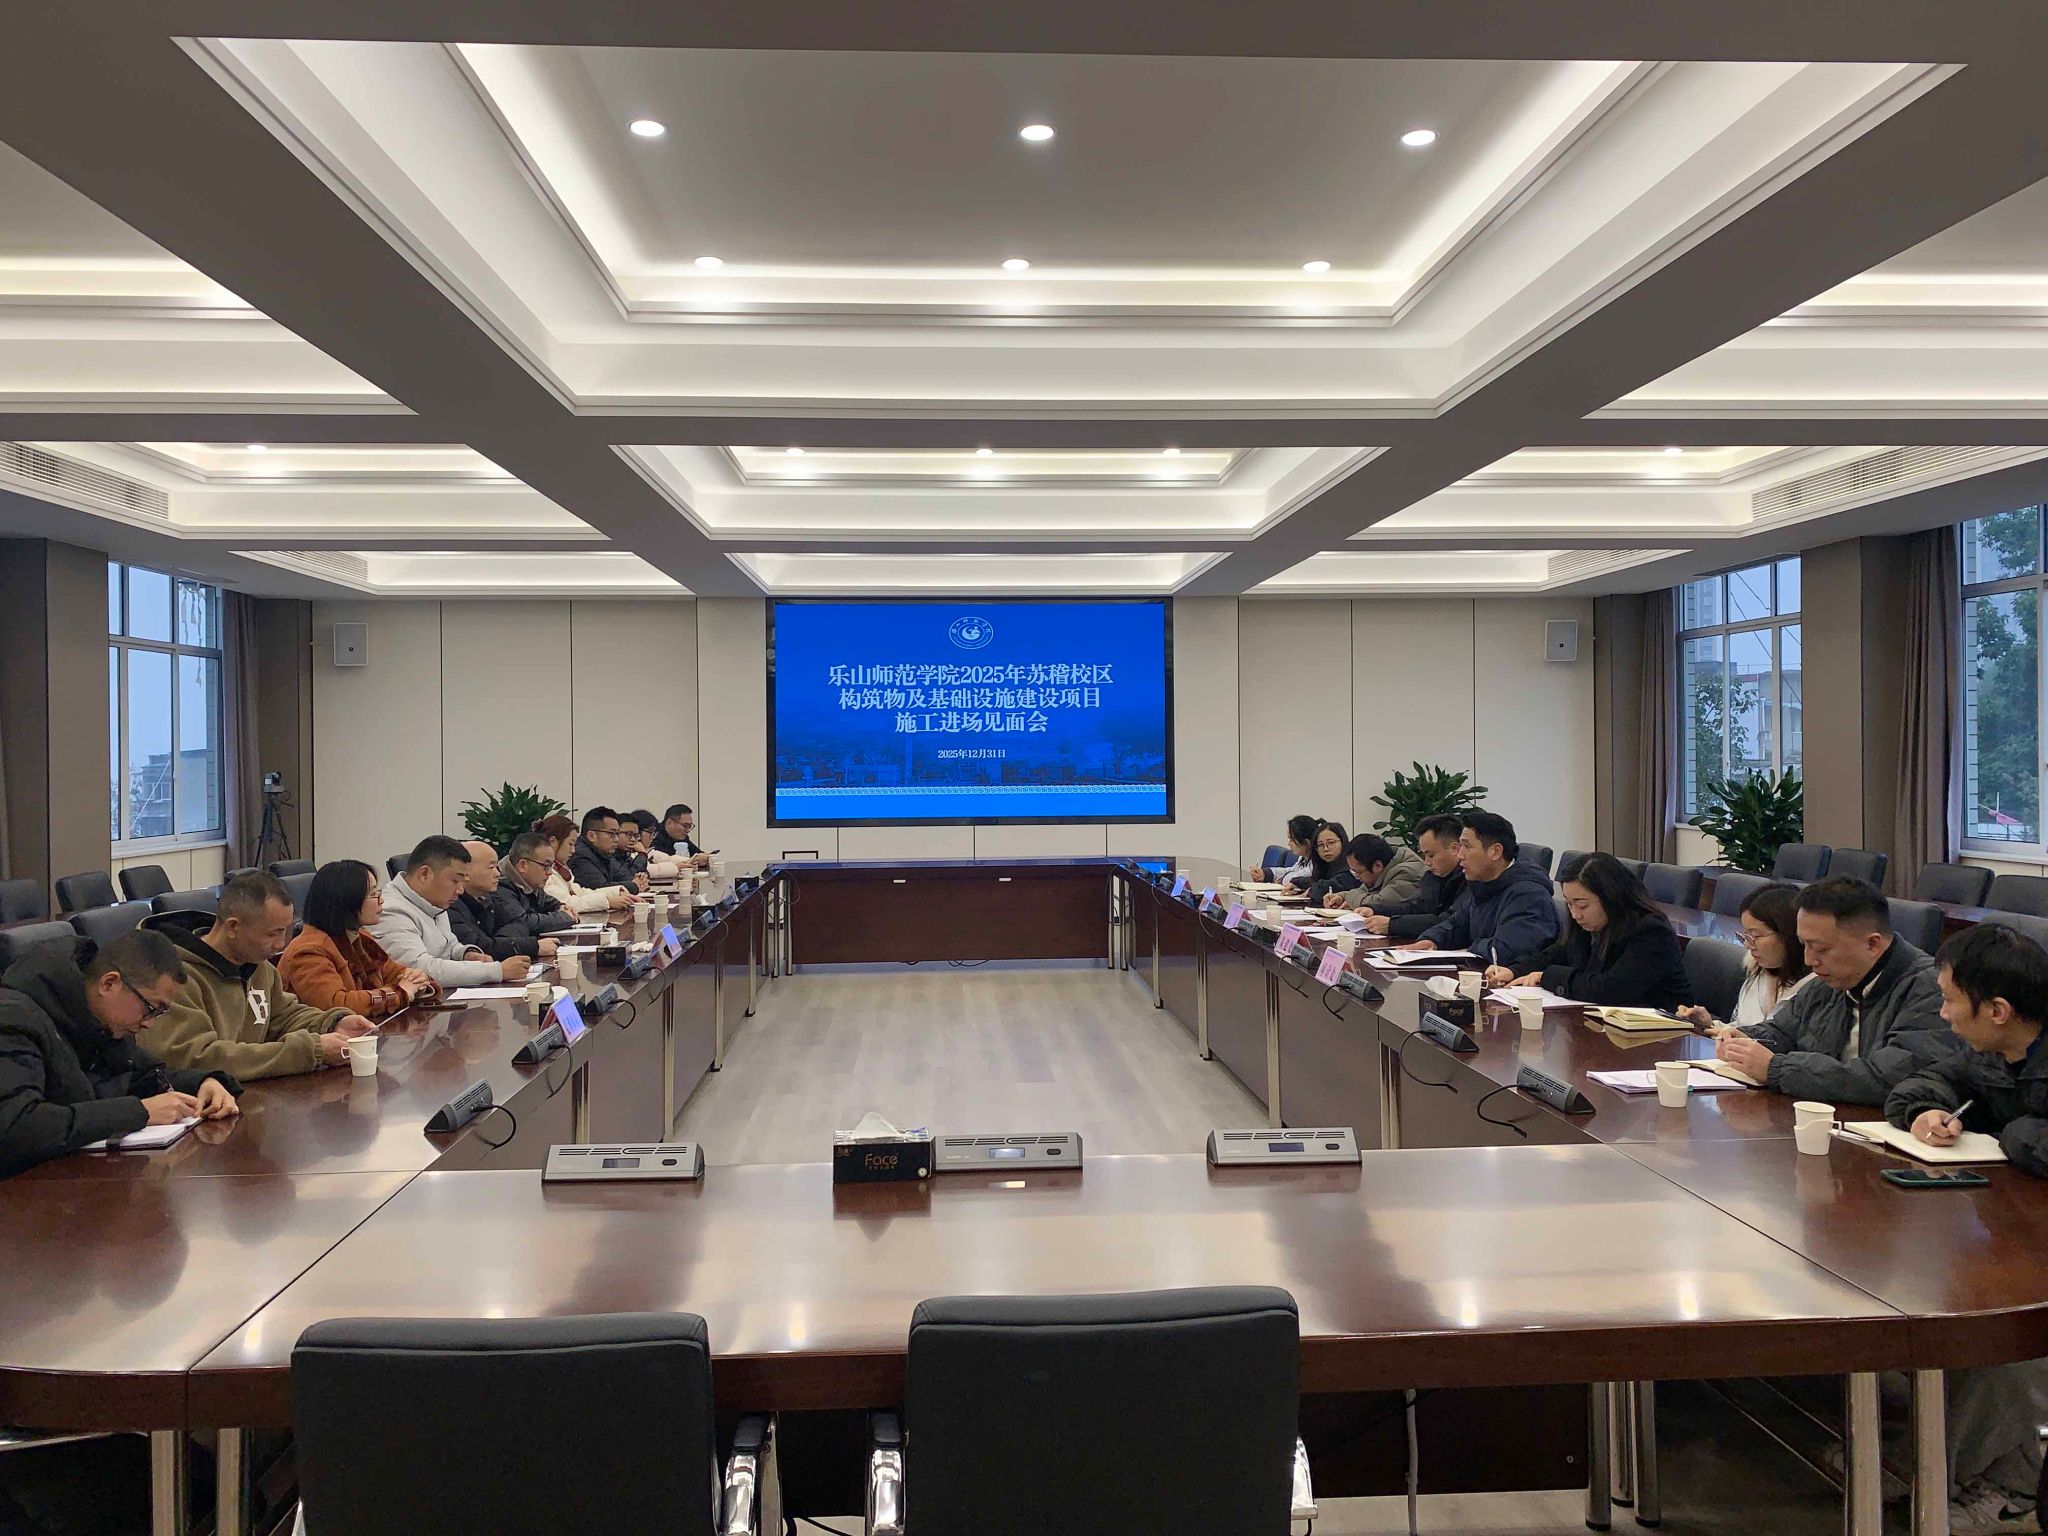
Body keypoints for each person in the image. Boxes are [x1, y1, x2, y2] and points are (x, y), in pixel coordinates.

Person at [1882, 923, 2048, 1532]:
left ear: (1997, 1011)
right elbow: (1933, 1078)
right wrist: (1926, 1108)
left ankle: (1993, 1484)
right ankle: (1933, 1464)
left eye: (1951, 1000)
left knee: (2000, 1339)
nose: (1944, 1014)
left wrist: (2017, 1134)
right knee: (1928, 1288)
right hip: (2015, 1225)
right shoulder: (1993, 1049)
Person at [0, 930, 241, 1179]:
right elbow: (16, 1128)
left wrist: (204, 1083)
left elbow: (139, 1075)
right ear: (109, 983)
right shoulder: (12, 1020)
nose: (149, 1023)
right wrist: (139, 1112)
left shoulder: (98, 1020)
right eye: (151, 1008)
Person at [1714, 875, 1955, 1104]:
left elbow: (1889, 1079)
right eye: (1803, 945)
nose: (1809, 960)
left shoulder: (1930, 989)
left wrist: (1776, 1069)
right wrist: (1745, 1039)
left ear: (1872, 944)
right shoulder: (1830, 981)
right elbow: (1783, 1031)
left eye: (1821, 948)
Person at [139, 872, 373, 1079]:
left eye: (284, 931)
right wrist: (309, 1051)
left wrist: (332, 1023)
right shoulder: (172, 979)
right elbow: (198, 1058)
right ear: (233, 927)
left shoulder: (258, 966)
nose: (280, 944)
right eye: (272, 934)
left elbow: (283, 1016)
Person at [1499, 852, 1690, 1009]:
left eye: (1582, 905)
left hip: (1662, 1033)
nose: (1575, 914)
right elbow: (1558, 953)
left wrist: (1546, 977)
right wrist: (1514, 971)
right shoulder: (1592, 923)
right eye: (1569, 904)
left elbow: (1610, 989)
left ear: (1611, 897)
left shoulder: (1651, 932)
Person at [278, 860, 434, 1019]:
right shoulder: (308, 951)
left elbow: (394, 973)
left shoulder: (359, 937)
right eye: (373, 894)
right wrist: (399, 993)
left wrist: (417, 980)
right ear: (347, 901)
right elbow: (337, 1005)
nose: (381, 900)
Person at [370, 836, 530, 988]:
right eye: (455, 881)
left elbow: (449, 946)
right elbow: (418, 970)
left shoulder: (432, 901)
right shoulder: (390, 911)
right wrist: (496, 971)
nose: (460, 890)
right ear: (425, 874)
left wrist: (467, 954)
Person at [1409, 811, 1560, 971]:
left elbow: (1504, 953)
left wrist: (1471, 947)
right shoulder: (1485, 884)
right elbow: (1457, 924)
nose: (1459, 855)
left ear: (1495, 852)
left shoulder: (1529, 895)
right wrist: (1432, 940)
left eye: (1466, 846)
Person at [1676, 883, 1814, 1030]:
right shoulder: (1758, 971)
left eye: (1755, 936)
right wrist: (1708, 1026)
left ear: (1788, 934)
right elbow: (1741, 1026)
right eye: (1745, 936)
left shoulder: (1816, 990)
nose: (1748, 945)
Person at [448, 840, 561, 962]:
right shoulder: (451, 905)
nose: (497, 874)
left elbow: (520, 924)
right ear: (466, 872)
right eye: (491, 867)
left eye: (497, 867)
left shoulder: (488, 898)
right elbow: (481, 948)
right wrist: (533, 946)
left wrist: (498, 943)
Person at [1354, 815, 1466, 939]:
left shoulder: (1470, 879)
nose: (1426, 862)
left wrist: (1392, 925)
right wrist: (1375, 910)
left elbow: (1448, 922)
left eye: (1431, 855)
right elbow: (1415, 908)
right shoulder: (1432, 876)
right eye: (1424, 855)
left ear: (1454, 849)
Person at [536, 814, 632, 913]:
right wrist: (607, 901)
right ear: (553, 841)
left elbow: (580, 892)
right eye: (570, 844)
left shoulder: (559, 868)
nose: (573, 850)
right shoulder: (542, 872)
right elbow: (565, 903)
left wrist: (616, 893)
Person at [496, 833, 579, 939]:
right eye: (546, 865)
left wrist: (562, 907)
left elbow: (551, 904)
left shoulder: (531, 883)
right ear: (522, 865)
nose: (550, 872)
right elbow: (523, 923)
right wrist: (565, 917)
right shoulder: (500, 885)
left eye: (551, 866)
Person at [1326, 834, 1425, 912]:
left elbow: (1379, 903)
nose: (1356, 877)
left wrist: (1348, 897)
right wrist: (1341, 897)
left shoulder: (1407, 872)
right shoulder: (1382, 870)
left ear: (1377, 866)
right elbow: (1364, 892)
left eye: (1358, 872)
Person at [569, 807, 649, 895]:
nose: (616, 839)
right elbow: (600, 889)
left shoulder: (603, 853)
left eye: (617, 834)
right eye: (612, 834)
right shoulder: (580, 855)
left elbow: (626, 878)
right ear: (592, 836)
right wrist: (634, 885)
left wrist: (639, 879)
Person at [1249, 815, 1317, 885]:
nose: (1288, 844)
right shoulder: (1304, 858)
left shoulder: (1316, 864)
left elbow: (1295, 878)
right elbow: (1291, 870)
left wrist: (1282, 879)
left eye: (1291, 840)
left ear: (1306, 843)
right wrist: (1264, 874)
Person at [1292, 821, 1348, 898]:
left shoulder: (1349, 867)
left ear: (1343, 842)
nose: (1326, 849)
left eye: (1331, 843)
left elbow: (1331, 885)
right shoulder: (1324, 865)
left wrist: (1313, 889)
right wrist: (1296, 883)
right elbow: (1314, 880)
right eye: (1320, 845)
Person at [655, 803, 711, 868]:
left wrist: (704, 858)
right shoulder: (654, 836)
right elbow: (663, 861)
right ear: (670, 822)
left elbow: (696, 854)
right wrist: (692, 860)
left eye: (690, 826)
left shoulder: (681, 836)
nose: (688, 830)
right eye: (685, 826)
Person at [614, 811, 654, 880]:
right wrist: (642, 854)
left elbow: (645, 874)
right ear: (615, 833)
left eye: (636, 835)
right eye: (629, 834)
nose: (633, 839)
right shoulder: (609, 856)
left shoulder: (625, 856)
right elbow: (629, 878)